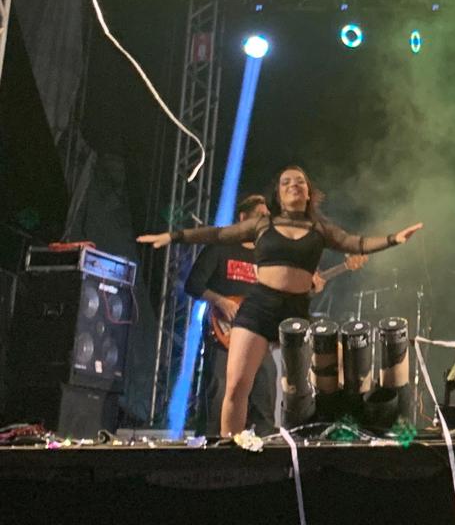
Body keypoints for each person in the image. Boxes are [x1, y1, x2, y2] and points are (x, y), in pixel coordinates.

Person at [140, 165, 423, 437]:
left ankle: (337, 433)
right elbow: (217, 234)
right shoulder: (263, 225)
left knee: (326, 376)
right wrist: (173, 236)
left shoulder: (320, 229)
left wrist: (394, 239)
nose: (292, 185)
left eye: (299, 181)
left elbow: (356, 243)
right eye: (285, 182)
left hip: (295, 312)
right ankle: (229, 449)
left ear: (309, 192)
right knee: (236, 387)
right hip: (259, 307)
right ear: (278, 193)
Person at [183, 194, 276, 435]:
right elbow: (192, 284)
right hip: (224, 334)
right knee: (218, 394)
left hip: (256, 336)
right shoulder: (220, 247)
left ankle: (264, 446)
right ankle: (211, 447)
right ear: (243, 218)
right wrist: (220, 301)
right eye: (260, 216)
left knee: (264, 393)